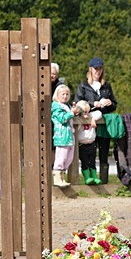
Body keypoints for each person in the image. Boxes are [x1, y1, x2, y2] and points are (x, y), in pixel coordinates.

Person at [74, 57, 118, 185]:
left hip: (103, 123)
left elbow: (114, 105)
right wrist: (94, 103)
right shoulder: (83, 86)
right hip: (88, 124)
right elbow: (78, 103)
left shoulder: (106, 85)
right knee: (88, 153)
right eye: (96, 69)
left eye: (100, 68)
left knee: (104, 153)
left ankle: (104, 181)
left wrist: (109, 103)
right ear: (90, 69)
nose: (98, 71)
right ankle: (89, 179)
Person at [50, 84, 75, 187]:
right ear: (57, 95)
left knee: (69, 158)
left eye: (67, 94)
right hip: (61, 136)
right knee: (61, 157)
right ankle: (57, 178)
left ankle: (62, 177)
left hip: (69, 135)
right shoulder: (56, 106)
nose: (65, 96)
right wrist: (72, 113)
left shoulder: (67, 106)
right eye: (62, 94)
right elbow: (62, 118)